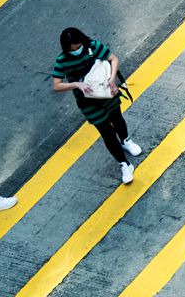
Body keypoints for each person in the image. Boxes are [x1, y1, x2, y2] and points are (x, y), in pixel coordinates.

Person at [52, 28, 141, 183]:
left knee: (117, 118)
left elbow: (114, 59)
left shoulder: (93, 46)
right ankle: (125, 164)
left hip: (107, 93)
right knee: (106, 132)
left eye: (78, 46)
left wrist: (112, 79)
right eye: (72, 49)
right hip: (88, 102)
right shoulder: (62, 60)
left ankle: (126, 140)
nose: (76, 51)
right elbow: (56, 85)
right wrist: (76, 84)